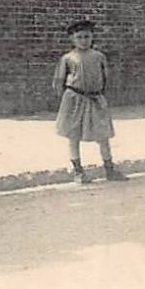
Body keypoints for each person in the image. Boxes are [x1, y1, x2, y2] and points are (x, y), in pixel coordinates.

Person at [52, 19, 124, 184]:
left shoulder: (99, 56)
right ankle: (78, 171)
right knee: (73, 134)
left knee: (103, 134)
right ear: (72, 39)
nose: (83, 40)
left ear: (92, 37)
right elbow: (59, 80)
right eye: (79, 37)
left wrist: (100, 95)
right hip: (74, 99)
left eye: (87, 36)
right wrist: (64, 100)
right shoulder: (68, 58)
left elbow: (106, 77)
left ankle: (109, 169)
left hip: (95, 98)